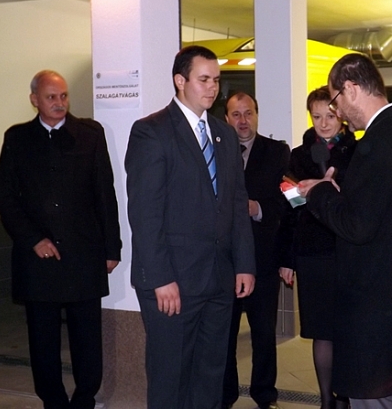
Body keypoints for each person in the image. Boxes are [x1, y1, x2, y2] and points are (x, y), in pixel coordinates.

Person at [297, 53, 392, 408]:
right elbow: (380, 212)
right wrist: (339, 196)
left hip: (373, 307)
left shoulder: (375, 145)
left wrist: (319, 193)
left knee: (375, 397)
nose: (339, 112)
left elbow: (357, 226)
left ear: (351, 89)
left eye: (336, 101)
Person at [125, 46, 256, 409]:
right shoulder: (152, 132)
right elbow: (145, 214)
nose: (212, 87)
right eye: (204, 79)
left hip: (218, 279)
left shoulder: (223, 134)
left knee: (210, 377)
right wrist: (160, 278)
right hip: (173, 282)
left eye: (216, 80)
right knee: (171, 378)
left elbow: (236, 203)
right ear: (180, 81)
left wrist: (244, 263)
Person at [0, 70, 122, 409]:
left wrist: (112, 248)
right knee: (43, 339)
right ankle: (53, 400)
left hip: (83, 254)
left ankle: (84, 399)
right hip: (38, 259)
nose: (59, 102)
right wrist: (33, 239)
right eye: (51, 97)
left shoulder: (90, 135)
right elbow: (5, 197)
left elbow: (104, 193)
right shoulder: (17, 138)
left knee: (87, 338)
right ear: (34, 100)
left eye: (63, 96)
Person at [277, 86, 356, 409]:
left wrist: (328, 188)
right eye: (316, 116)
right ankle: (326, 399)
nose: (323, 123)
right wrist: (287, 259)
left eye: (330, 116)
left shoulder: (358, 152)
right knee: (322, 329)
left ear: (342, 116)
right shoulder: (297, 156)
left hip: (349, 249)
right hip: (312, 251)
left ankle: (347, 397)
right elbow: (290, 209)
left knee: (349, 328)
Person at [221, 92, 290, 409]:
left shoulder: (278, 153)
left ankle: (265, 395)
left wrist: (258, 208)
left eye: (248, 113)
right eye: (236, 114)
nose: (243, 121)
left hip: (263, 258)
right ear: (226, 119)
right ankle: (226, 395)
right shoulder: (215, 151)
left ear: (257, 115)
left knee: (264, 334)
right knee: (225, 335)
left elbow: (291, 201)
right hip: (224, 261)